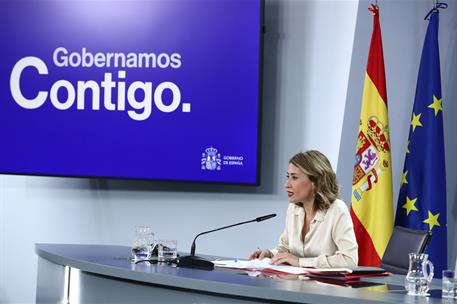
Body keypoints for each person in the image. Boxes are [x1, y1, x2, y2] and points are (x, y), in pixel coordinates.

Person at [249, 150, 358, 268]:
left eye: (294, 178)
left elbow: (350, 260)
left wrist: (301, 262)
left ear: (315, 182)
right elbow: (286, 248)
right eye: (288, 176)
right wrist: (270, 255)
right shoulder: (294, 209)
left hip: (327, 285)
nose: (287, 184)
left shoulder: (337, 210)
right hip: (294, 284)